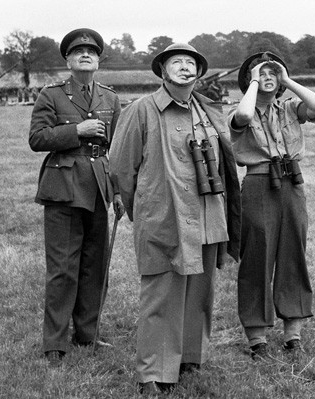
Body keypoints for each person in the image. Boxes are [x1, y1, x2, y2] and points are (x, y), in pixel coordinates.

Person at [109, 43, 241, 395]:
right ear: (162, 70)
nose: (185, 67)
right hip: (164, 216)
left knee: (200, 290)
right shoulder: (141, 110)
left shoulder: (208, 109)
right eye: (176, 62)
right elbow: (121, 168)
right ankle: (153, 372)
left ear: (198, 72)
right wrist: (146, 211)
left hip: (209, 214)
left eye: (191, 63)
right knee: (161, 292)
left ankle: (190, 356)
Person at [28, 28, 124, 368]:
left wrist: (119, 190)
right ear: (68, 60)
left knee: (95, 265)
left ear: (98, 60)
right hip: (63, 187)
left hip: (99, 186)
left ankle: (88, 333)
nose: (85, 55)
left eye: (91, 51)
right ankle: (55, 341)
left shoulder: (110, 98)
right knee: (62, 268)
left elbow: (119, 148)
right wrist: (76, 132)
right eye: (78, 51)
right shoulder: (51, 95)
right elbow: (37, 138)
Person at [228, 51, 315, 361]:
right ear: (249, 80)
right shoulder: (239, 109)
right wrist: (255, 81)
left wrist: (286, 79)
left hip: (292, 186)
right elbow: (243, 118)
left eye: (273, 72)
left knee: (293, 253)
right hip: (258, 185)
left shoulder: (288, 108)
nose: (268, 76)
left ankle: (292, 332)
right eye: (261, 73)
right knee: (257, 256)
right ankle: (256, 335)